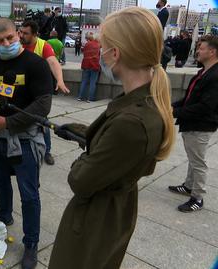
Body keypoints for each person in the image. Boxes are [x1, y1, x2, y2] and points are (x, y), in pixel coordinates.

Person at [48, 7, 176, 269]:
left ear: (115, 54)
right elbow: (120, 152)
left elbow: (80, 180)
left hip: (96, 220)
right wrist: (84, 133)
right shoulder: (147, 102)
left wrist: (84, 158)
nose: (102, 53)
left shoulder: (133, 122)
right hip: (114, 212)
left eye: (104, 47)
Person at [0, 18, 53, 269]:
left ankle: (31, 243)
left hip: (24, 140)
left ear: (18, 34)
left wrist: (8, 123)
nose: (6, 43)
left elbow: (43, 104)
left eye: (11, 37)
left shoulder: (36, 64)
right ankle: (4, 215)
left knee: (29, 194)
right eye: (0, 41)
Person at [168, 35, 218, 212]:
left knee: (198, 162)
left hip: (201, 125)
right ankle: (189, 186)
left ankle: (197, 197)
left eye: (201, 48)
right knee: (193, 158)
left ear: (212, 52)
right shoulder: (203, 71)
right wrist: (172, 106)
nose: (197, 51)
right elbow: (190, 97)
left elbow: (205, 106)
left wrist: (175, 112)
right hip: (192, 123)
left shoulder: (215, 76)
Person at [20, 20, 70, 166]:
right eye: (20, 32)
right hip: (22, 90)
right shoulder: (17, 44)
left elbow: (54, 62)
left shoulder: (43, 45)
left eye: (25, 33)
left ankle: (47, 151)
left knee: (42, 121)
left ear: (35, 34)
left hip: (39, 91)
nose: (21, 35)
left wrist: (59, 80)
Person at [77, 32, 100, 102]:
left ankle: (80, 97)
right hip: (94, 65)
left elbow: (82, 51)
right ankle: (90, 98)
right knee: (93, 82)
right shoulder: (98, 45)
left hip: (86, 65)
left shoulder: (87, 44)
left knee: (84, 81)